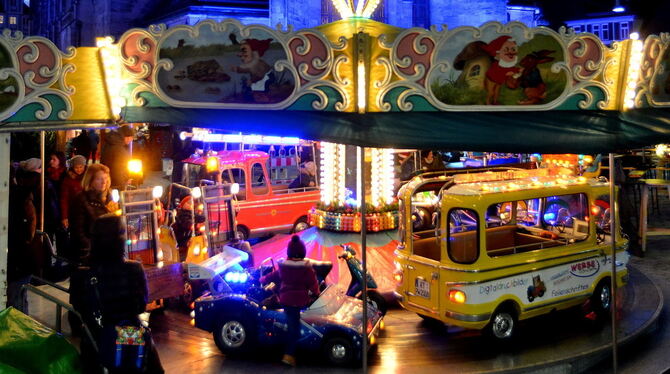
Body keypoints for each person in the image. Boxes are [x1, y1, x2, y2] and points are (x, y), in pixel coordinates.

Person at [69, 214, 164, 373]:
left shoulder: (81, 274)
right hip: (129, 334)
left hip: (95, 337)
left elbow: (77, 309)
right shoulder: (134, 269)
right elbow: (140, 305)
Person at [260, 235, 319, 367]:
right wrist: (316, 293)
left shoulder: (284, 266)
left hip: (286, 300)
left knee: (291, 323)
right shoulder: (307, 268)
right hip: (299, 301)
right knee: (295, 327)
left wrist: (263, 279)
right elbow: (313, 283)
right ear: (303, 252)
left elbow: (273, 275)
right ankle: (289, 355)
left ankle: (287, 347)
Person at [69, 164, 118, 265]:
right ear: (90, 181)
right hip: (90, 255)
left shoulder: (112, 197)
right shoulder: (81, 199)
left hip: (112, 251)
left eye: (106, 178)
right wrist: (93, 247)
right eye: (99, 179)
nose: (104, 182)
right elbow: (78, 232)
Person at [7, 164, 38, 313]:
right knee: (18, 297)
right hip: (20, 255)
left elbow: (31, 221)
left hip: (17, 257)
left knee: (16, 298)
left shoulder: (19, 195)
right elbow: (31, 221)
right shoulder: (22, 195)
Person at [60, 155, 87, 260]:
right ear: (72, 167)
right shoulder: (68, 181)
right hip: (74, 214)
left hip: (86, 213)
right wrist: (64, 217)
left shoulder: (87, 177)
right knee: (76, 236)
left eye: (81, 167)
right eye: (77, 167)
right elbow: (64, 200)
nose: (79, 169)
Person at [100, 125, 135, 190]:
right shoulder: (119, 149)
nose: (131, 140)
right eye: (131, 137)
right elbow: (118, 170)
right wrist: (123, 184)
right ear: (126, 136)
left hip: (106, 180)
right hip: (116, 184)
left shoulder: (109, 143)